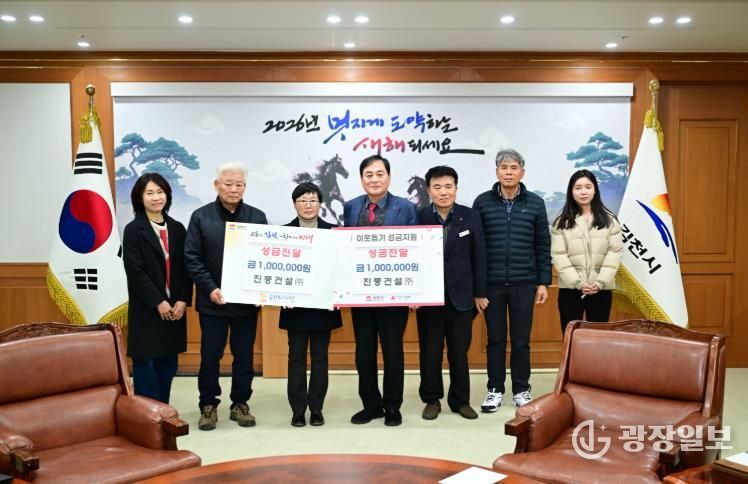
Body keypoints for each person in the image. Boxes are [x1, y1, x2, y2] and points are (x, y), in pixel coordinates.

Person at [185, 162, 268, 430]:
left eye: (239, 184)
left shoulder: (257, 217)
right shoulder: (200, 216)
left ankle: (240, 403)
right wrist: (210, 288)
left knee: (244, 356)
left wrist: (261, 289)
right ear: (216, 185)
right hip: (213, 303)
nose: (233, 189)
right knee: (210, 356)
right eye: (228, 183)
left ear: (245, 187)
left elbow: (264, 258)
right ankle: (208, 404)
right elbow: (192, 258)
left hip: (246, 304)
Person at [472, 148, 551, 411]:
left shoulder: (535, 203)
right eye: (504, 167)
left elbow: (543, 244)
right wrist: (478, 288)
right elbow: (476, 247)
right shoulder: (482, 202)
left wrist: (543, 282)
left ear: (522, 173)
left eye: (513, 168)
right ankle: (494, 390)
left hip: (524, 283)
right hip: (492, 285)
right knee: (495, 340)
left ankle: (521, 389)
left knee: (521, 340)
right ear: (497, 172)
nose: (508, 172)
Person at [343, 154, 417, 427]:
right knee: (364, 353)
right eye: (369, 175)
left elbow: (415, 250)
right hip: (361, 296)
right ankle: (371, 405)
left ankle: (393, 406)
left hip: (395, 295)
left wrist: (415, 291)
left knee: (393, 352)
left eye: (379, 174)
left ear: (389, 177)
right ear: (362, 179)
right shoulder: (351, 207)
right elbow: (346, 249)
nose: (374, 179)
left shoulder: (406, 208)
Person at [416, 166, 488, 421]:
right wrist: (413, 294)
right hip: (429, 298)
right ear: (429, 191)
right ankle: (431, 399)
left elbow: (480, 256)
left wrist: (480, 293)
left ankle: (460, 401)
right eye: (437, 187)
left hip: (462, 297)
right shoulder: (419, 217)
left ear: (456, 189)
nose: (443, 192)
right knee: (430, 352)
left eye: (448, 186)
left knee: (459, 352)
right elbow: (413, 258)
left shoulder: (471, 216)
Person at [123, 173, 192, 404]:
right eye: (149, 193)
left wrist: (182, 300)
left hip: (175, 309)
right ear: (140, 198)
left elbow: (186, 268)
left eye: (160, 192)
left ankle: (163, 411)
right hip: (147, 309)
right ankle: (147, 415)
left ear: (167, 195)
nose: (156, 197)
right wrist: (158, 302)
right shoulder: (134, 230)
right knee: (146, 365)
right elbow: (135, 272)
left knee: (168, 364)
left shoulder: (178, 228)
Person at [280, 182, 343, 428]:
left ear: (320, 204)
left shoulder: (334, 233)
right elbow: (276, 269)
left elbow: (341, 269)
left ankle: (316, 408)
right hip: (294, 309)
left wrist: (338, 295)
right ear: (294, 204)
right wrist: (280, 295)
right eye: (302, 201)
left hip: (323, 308)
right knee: (295, 359)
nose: (308, 205)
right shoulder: (283, 233)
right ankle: (297, 410)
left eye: (313, 200)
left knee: (320, 359)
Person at [551, 169, 623, 335]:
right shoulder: (561, 222)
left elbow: (614, 252)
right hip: (570, 289)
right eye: (578, 188)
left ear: (595, 190)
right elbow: (559, 255)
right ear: (571, 192)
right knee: (571, 336)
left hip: (601, 289)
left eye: (588, 187)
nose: (583, 192)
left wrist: (599, 282)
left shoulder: (610, 220)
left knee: (598, 338)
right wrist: (578, 283)